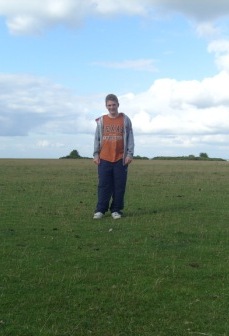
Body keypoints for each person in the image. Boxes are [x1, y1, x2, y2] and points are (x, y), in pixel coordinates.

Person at [93, 94, 134, 219]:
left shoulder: (125, 119)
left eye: (113, 105)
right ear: (106, 106)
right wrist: (96, 154)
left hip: (120, 159)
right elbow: (97, 138)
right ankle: (100, 210)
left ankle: (116, 210)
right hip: (104, 157)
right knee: (104, 185)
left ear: (118, 104)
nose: (112, 107)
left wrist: (129, 154)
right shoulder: (101, 120)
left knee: (119, 185)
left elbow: (130, 137)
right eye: (109, 105)